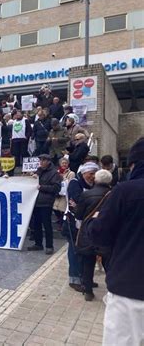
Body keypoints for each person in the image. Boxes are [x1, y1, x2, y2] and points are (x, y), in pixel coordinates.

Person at [87, 137, 144, 345]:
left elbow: (100, 234)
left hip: (130, 289)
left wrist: (94, 222)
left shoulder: (126, 191)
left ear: (134, 164)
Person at [74, 169, 112, 301]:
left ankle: (88, 291)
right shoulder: (115, 194)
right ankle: (113, 291)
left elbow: (79, 215)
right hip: (108, 233)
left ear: (96, 180)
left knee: (88, 262)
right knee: (109, 264)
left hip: (89, 232)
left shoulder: (87, 194)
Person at [66, 161, 100, 291]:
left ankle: (86, 279)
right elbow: (77, 202)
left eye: (95, 174)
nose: (93, 176)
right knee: (74, 251)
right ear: (84, 173)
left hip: (88, 223)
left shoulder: (94, 185)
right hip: (74, 223)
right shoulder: (75, 183)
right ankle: (74, 279)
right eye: (91, 173)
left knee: (85, 252)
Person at [28, 154, 62, 254]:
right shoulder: (39, 171)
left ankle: (49, 245)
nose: (41, 162)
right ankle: (38, 244)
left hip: (46, 202)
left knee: (47, 225)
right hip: (36, 202)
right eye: (40, 160)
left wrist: (41, 187)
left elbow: (56, 188)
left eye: (43, 160)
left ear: (48, 161)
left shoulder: (54, 173)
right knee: (36, 224)